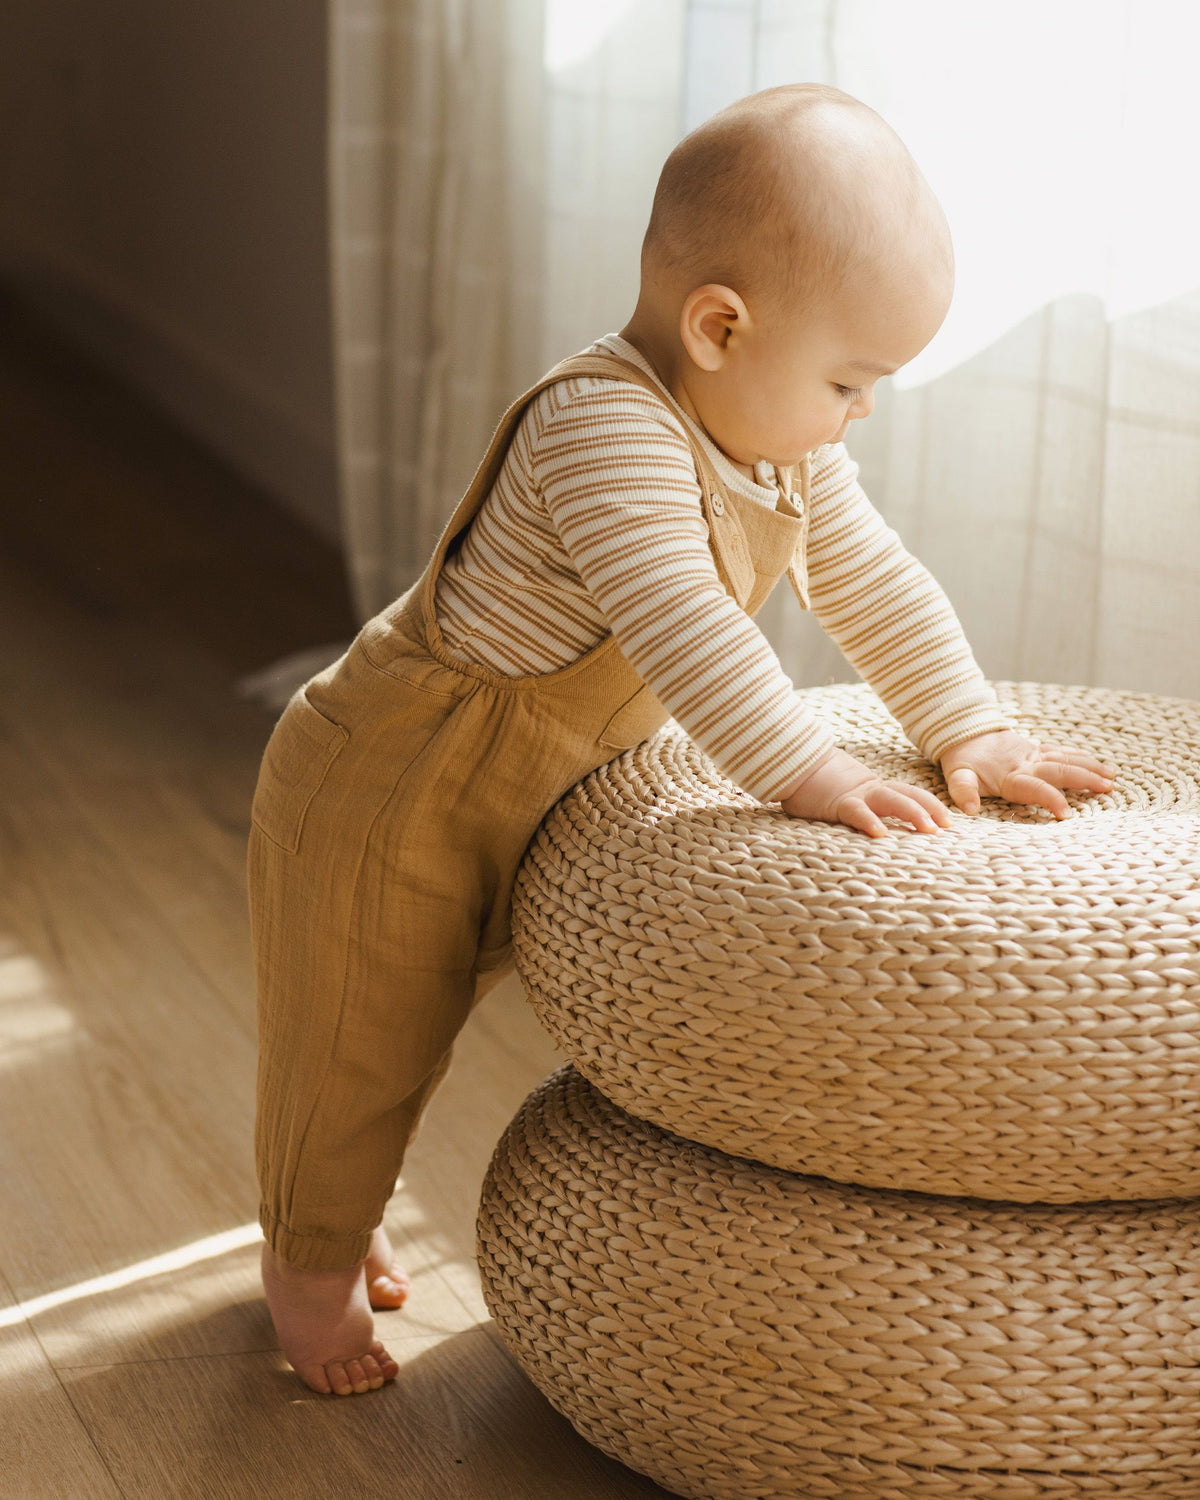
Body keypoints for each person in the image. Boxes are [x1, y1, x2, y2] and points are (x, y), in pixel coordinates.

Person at [249, 82, 1115, 1397]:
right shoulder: (600, 428)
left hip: (522, 785)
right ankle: (306, 1278)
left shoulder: (780, 443)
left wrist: (969, 726)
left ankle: (341, 1206)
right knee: (359, 1040)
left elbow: (873, 578)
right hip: (392, 785)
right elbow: (681, 621)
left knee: (415, 1033)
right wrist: (805, 772)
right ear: (720, 326)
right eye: (848, 381)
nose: (857, 416)